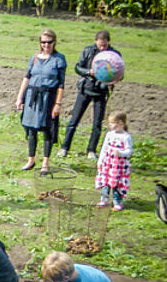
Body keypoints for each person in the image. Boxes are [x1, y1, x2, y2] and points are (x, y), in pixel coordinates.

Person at [59, 31, 121, 160]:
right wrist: (89, 72)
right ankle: (64, 147)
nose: (102, 48)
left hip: (101, 91)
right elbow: (77, 67)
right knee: (74, 120)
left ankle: (91, 150)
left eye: (104, 45)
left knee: (97, 123)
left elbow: (120, 73)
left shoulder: (114, 55)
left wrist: (110, 79)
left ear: (108, 42)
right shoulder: (88, 50)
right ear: (96, 42)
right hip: (85, 88)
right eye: (100, 45)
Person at [16, 29, 66, 174]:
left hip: (48, 97)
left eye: (49, 42)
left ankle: (45, 163)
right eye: (43, 42)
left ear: (54, 42)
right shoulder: (35, 58)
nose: (46, 45)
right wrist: (20, 97)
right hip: (32, 96)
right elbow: (27, 77)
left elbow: (61, 84)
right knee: (31, 130)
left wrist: (57, 104)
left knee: (46, 130)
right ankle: (31, 160)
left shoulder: (59, 59)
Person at [95, 111, 132, 211]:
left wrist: (120, 153)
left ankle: (117, 202)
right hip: (108, 164)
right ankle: (104, 199)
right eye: (110, 123)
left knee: (117, 184)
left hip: (119, 166)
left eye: (112, 123)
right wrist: (100, 161)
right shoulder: (109, 135)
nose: (110, 125)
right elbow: (104, 148)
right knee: (105, 181)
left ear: (121, 123)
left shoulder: (126, 137)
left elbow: (129, 151)